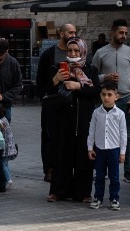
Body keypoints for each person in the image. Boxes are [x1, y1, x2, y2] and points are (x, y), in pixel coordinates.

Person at [44, 37, 101, 203]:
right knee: (61, 154)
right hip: (63, 118)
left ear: (83, 51)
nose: (73, 53)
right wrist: (56, 80)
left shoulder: (90, 70)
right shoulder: (58, 68)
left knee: (83, 155)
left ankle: (83, 192)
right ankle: (58, 191)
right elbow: (46, 91)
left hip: (83, 119)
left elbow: (96, 92)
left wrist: (80, 86)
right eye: (70, 50)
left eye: (76, 50)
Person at [91, 19, 130, 177]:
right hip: (105, 99)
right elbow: (91, 78)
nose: (124, 35)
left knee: (126, 135)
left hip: (125, 98)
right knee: (103, 133)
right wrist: (106, 77)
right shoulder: (101, 53)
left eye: (126, 33)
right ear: (112, 32)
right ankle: (102, 169)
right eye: (121, 32)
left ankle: (128, 170)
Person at [36, 23, 77, 183]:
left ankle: (67, 168)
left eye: (75, 32)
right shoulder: (49, 54)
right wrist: (52, 84)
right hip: (52, 102)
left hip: (71, 102)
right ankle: (49, 169)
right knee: (49, 137)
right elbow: (40, 80)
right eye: (70, 32)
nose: (73, 35)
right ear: (61, 34)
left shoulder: (78, 54)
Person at [88, 82, 127, 210]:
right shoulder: (96, 113)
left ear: (116, 96)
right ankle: (98, 197)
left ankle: (114, 198)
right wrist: (90, 148)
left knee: (114, 176)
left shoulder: (120, 114)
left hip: (114, 149)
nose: (106, 98)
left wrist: (122, 152)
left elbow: (123, 134)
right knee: (99, 175)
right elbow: (91, 132)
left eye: (109, 95)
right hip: (99, 149)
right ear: (100, 95)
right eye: (104, 94)